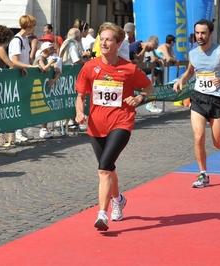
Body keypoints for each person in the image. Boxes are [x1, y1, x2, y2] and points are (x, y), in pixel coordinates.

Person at [74, 22, 155, 231]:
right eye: (102, 39)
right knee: (108, 168)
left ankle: (102, 214)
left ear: (119, 43)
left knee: (103, 169)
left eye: (109, 39)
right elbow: (81, 94)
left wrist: (139, 99)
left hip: (121, 122)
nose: (104, 42)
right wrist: (79, 112)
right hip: (96, 125)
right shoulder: (90, 67)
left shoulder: (128, 69)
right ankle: (118, 199)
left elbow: (148, 86)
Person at [173, 19, 220, 188]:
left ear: (210, 33)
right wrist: (181, 80)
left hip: (217, 100)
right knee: (198, 136)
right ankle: (203, 174)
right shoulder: (193, 53)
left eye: (203, 33)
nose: (199, 36)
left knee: (217, 142)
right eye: (197, 33)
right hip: (199, 98)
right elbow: (190, 71)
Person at [8, 14, 52, 140]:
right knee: (19, 103)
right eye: (33, 25)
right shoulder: (16, 40)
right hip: (17, 75)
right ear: (29, 26)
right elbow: (14, 61)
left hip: (24, 74)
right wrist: (29, 67)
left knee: (25, 103)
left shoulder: (25, 39)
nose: (35, 28)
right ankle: (17, 131)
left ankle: (20, 129)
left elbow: (26, 58)